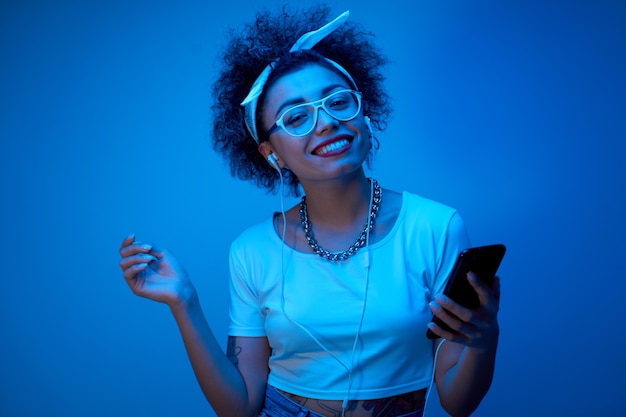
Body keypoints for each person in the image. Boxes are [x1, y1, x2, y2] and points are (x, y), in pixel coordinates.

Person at [118, 5, 500, 417]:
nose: (325, 122)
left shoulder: (436, 227)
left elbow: (458, 402)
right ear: (270, 153)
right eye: (296, 116)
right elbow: (240, 408)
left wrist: (484, 338)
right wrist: (184, 303)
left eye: (337, 101)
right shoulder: (251, 251)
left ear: (365, 118)